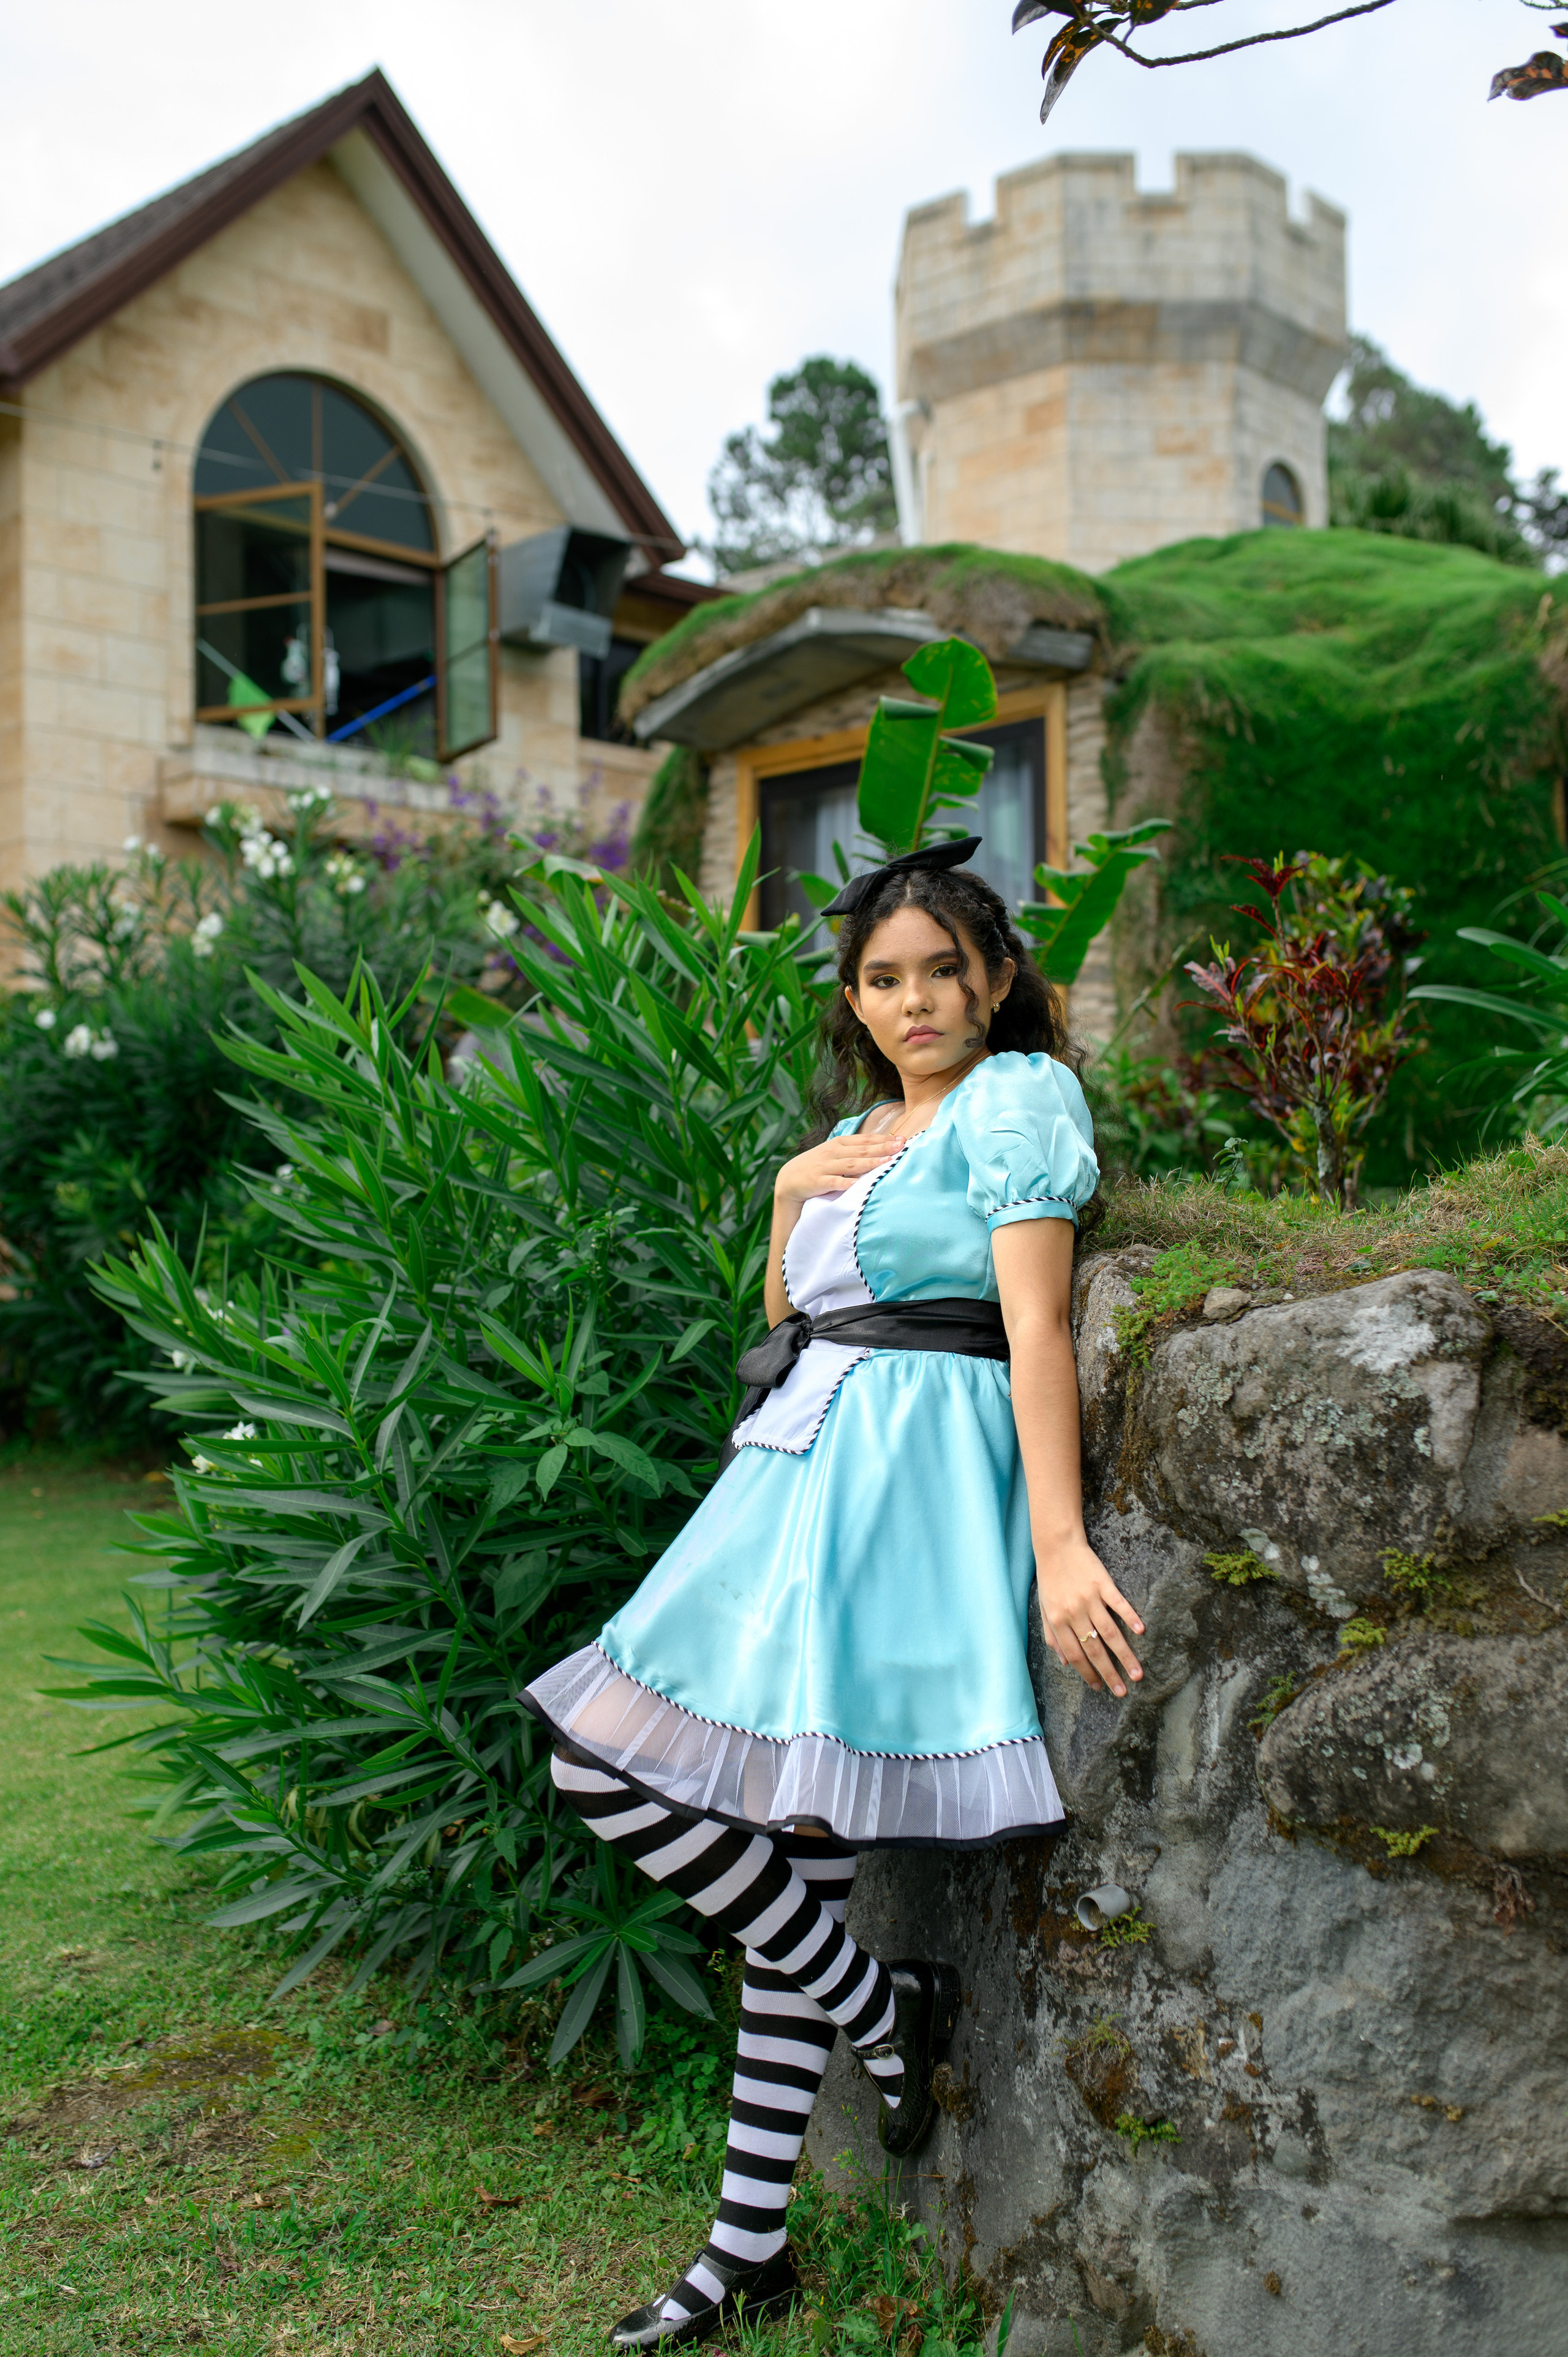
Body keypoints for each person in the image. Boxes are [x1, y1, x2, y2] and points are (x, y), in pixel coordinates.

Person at [524, 837, 1146, 2350]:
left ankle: (842, 2070)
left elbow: (1034, 1328)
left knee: (656, 1790)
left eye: (943, 969)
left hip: (905, 1481)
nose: (915, 997)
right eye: (883, 977)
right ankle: (783, 2189)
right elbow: (798, 1309)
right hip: (794, 1475)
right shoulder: (864, 1124)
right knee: (704, 1814)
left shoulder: (1016, 1101)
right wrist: (794, 1186)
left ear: (996, 979)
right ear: (853, 999)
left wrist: (1057, 1543)